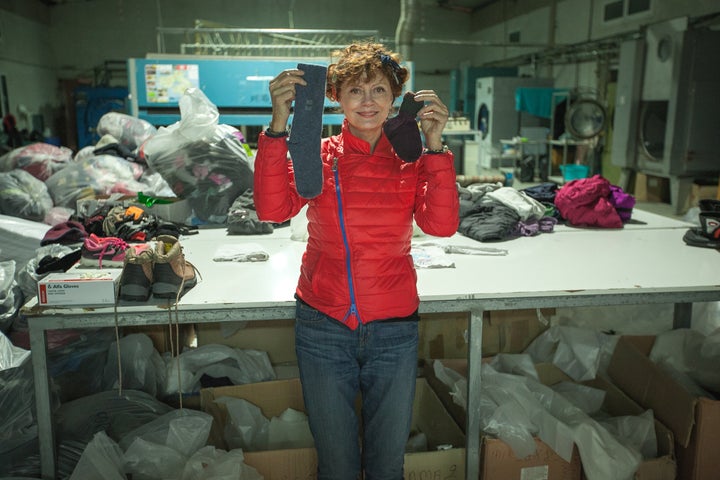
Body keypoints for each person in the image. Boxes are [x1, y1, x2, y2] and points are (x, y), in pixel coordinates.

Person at [253, 41, 460, 480]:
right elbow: (273, 211)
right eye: (355, 91)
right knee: (338, 467)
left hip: (393, 328)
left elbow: (441, 227)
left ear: (395, 97)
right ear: (337, 98)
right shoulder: (319, 154)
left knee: (387, 467)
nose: (368, 102)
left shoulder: (413, 158)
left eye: (379, 91)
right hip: (323, 326)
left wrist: (437, 146)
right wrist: (277, 127)